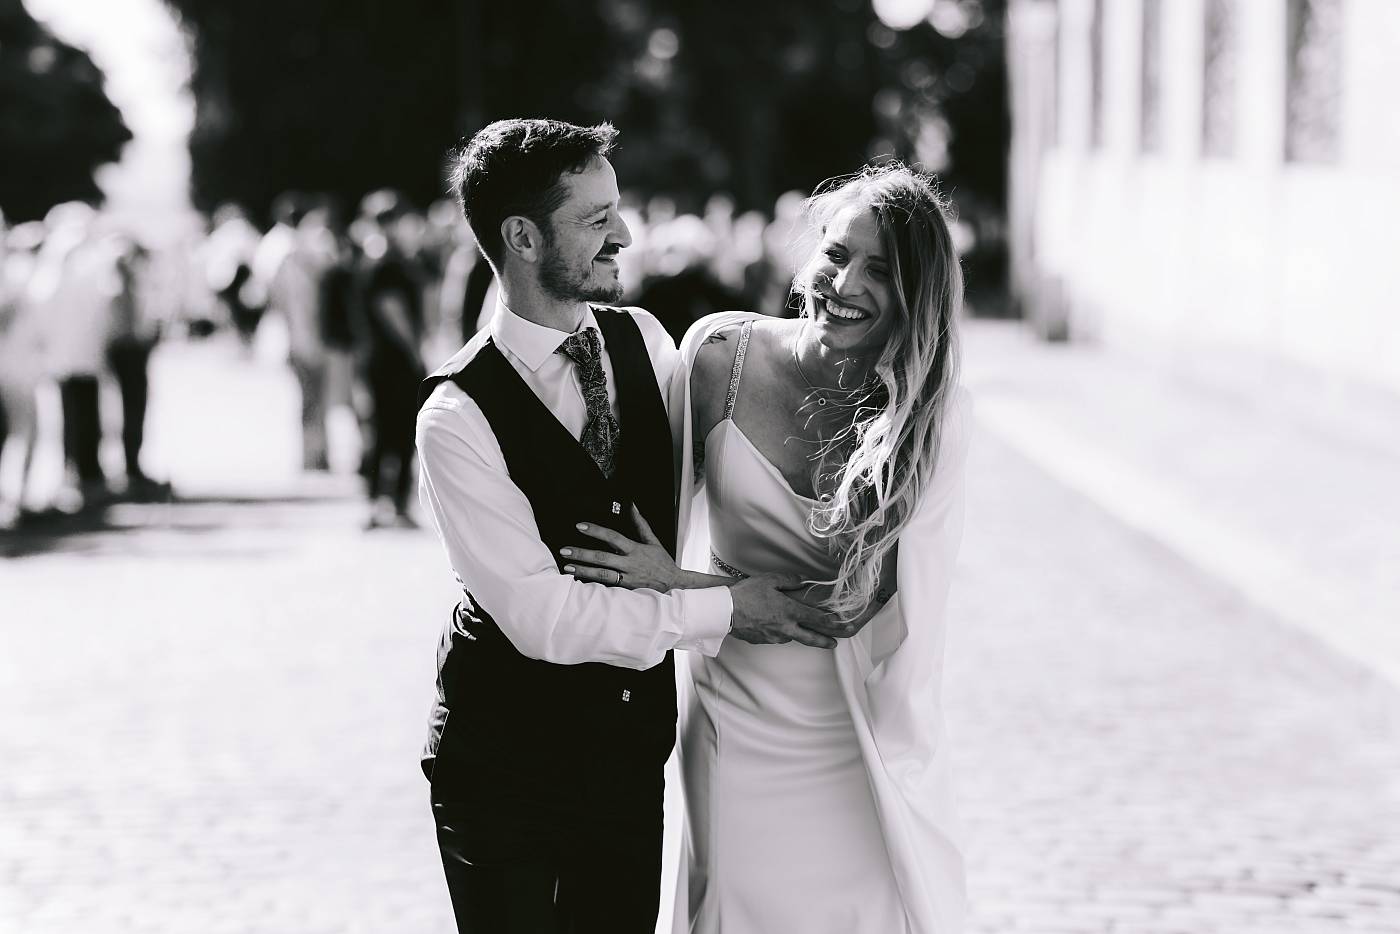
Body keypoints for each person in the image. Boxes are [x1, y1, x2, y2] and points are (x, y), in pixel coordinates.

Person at [414, 118, 845, 934]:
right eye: (595, 218)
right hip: (503, 767)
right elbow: (548, 620)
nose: (626, 233)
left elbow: (732, 455)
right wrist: (727, 607)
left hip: (626, 757)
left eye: (618, 207)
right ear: (522, 237)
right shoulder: (456, 417)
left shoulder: (646, 342)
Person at [561, 163, 973, 933]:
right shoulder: (720, 357)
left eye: (880, 270)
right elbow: (640, 526)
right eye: (836, 253)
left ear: (915, 299)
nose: (842, 282)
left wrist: (684, 584)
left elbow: (857, 605)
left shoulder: (930, 417)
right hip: (733, 712)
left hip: (856, 728)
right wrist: (682, 585)